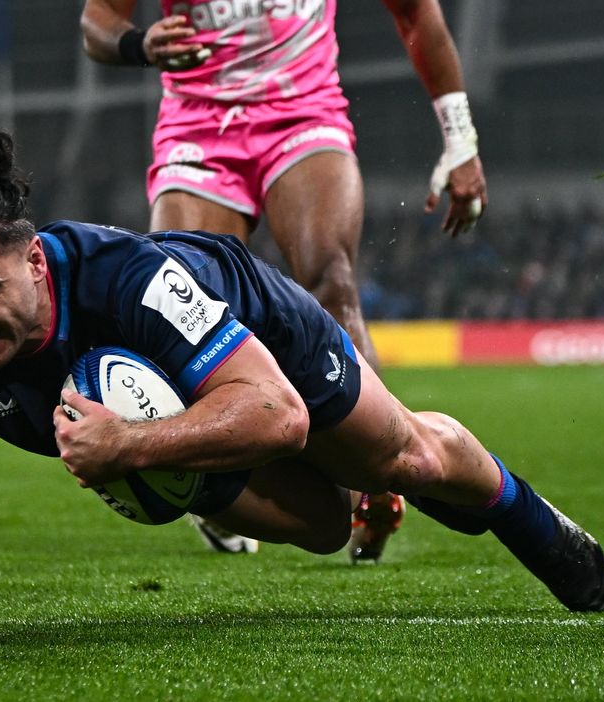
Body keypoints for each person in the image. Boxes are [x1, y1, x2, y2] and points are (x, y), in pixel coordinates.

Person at [0, 133, 604, 666]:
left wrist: (129, 447)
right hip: (178, 415)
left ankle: (539, 526)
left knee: (407, 459)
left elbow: (280, 414)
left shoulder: (127, 279)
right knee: (324, 527)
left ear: (32, 263)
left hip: (256, 333)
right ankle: (268, 475)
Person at [79, 0, 489, 556]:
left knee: (332, 281)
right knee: (177, 307)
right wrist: (138, 44)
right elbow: (97, 22)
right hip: (198, 127)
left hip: (303, 115)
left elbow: (416, 12)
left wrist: (461, 141)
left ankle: (378, 476)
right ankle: (212, 482)